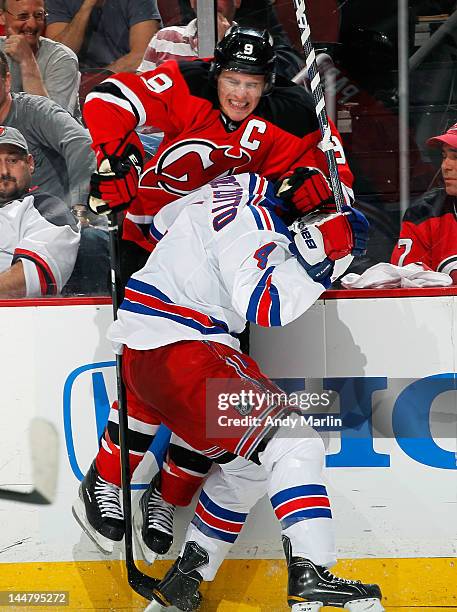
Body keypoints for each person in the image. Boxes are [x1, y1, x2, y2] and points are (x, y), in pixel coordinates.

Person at [77, 26, 355, 563]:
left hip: (227, 271)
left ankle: (167, 493)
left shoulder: (284, 116)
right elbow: (106, 97)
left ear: (267, 83)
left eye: (252, 83)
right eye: (232, 78)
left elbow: (318, 175)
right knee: (150, 374)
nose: (240, 93)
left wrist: (315, 190)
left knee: (213, 397)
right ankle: (107, 478)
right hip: (151, 249)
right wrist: (117, 155)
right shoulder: (184, 82)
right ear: (216, 72)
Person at [80, 171, 382, 612]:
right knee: (294, 445)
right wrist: (327, 260)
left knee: (248, 469)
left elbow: (163, 223)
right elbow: (266, 304)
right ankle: (313, 572)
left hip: (141, 358)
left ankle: (185, 581)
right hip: (186, 356)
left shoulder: (232, 187)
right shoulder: (257, 222)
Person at [0, 50, 95, 208]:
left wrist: (80, 203)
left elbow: (81, 144)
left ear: (7, 81)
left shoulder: (36, 111)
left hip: (55, 222)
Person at [0, 125, 79, 297]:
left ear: (30, 163)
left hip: (17, 318)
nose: (4, 171)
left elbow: (33, 278)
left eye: (12, 160)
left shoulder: (46, 208)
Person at [391, 122, 457, 283]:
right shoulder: (424, 213)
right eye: (444, 156)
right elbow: (407, 289)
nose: (445, 166)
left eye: (455, 157)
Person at [0, 0, 81, 117]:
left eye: (39, 15)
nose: (32, 25)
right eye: (23, 16)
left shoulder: (62, 59)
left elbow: (52, 124)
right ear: (2, 17)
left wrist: (27, 61)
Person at [45, 0, 161, 72]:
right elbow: (57, 57)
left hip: (128, 82)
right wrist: (87, 6)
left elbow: (142, 56)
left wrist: (97, 83)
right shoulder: (58, 2)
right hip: (81, 87)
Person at [138, 0, 239, 72]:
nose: (211, 3)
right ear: (192, 1)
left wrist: (223, 44)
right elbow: (141, 88)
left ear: (237, 1)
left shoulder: (248, 46)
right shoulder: (164, 38)